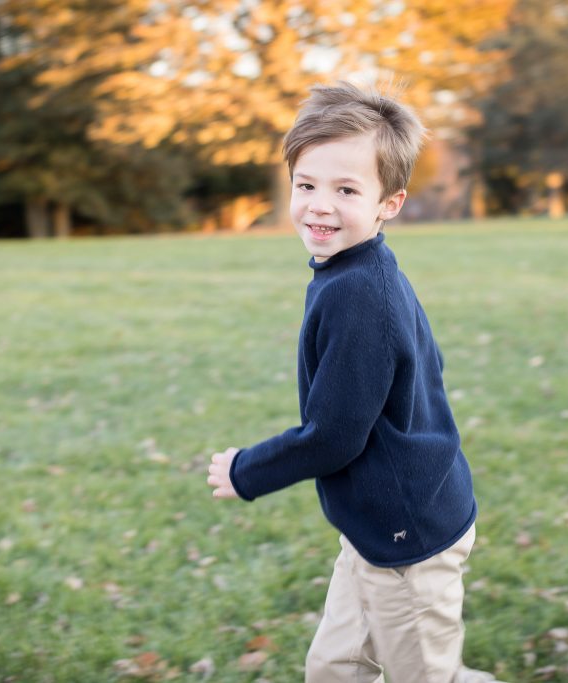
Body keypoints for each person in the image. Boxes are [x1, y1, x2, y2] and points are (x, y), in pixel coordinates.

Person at [207, 81, 503, 683]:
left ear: (387, 203)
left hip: (407, 543)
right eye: (306, 185)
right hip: (373, 529)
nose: (319, 204)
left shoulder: (361, 295)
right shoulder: (353, 270)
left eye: (346, 189)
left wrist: (246, 470)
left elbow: (335, 435)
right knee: (335, 670)